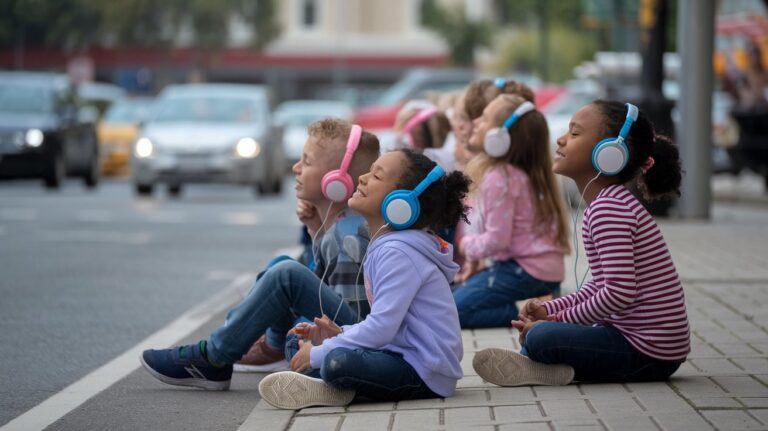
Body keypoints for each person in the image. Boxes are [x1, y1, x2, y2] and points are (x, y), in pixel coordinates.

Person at [139, 119, 380, 389]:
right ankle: (272, 349)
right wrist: (315, 230)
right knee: (283, 265)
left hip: (355, 347)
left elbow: (351, 320)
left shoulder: (347, 236)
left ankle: (214, 358)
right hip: (346, 332)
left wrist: (307, 344)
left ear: (336, 181)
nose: (296, 168)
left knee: (286, 275)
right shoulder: (341, 228)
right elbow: (324, 289)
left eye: (307, 162)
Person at [473, 100, 690, 386]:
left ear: (610, 153)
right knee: (543, 333)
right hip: (648, 348)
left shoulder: (609, 211)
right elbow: (598, 286)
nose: (561, 139)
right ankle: (555, 368)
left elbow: (619, 293)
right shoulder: (607, 205)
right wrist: (551, 310)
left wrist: (559, 321)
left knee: (542, 337)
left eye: (575, 134)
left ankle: (547, 363)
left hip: (648, 353)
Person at [258, 150, 470, 410]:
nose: (362, 178)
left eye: (376, 176)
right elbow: (384, 328)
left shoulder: (398, 253)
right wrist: (340, 333)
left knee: (338, 361)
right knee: (296, 340)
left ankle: (328, 382)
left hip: (424, 373)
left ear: (400, 202)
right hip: (398, 357)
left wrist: (321, 352)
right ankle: (327, 383)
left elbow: (380, 328)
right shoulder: (390, 245)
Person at [452, 94, 570, 328]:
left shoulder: (501, 176)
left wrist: (466, 246)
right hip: (539, 271)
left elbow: (497, 240)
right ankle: (540, 303)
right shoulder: (519, 172)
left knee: (452, 312)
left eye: (484, 118)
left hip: (524, 271)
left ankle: (530, 310)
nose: (476, 122)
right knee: (450, 298)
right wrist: (476, 260)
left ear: (500, 137)